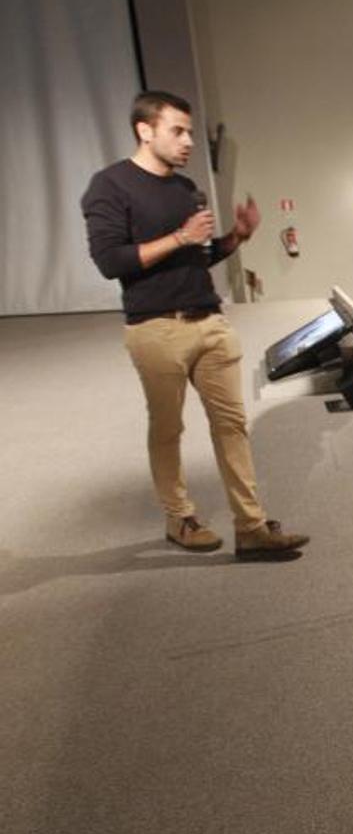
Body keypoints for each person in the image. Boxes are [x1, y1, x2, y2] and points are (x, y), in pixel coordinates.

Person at [80, 91, 307, 560]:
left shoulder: (186, 189)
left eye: (188, 131)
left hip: (210, 323)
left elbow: (198, 258)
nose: (187, 141)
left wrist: (236, 237)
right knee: (168, 428)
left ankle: (252, 527)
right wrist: (181, 236)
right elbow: (110, 261)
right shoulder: (110, 186)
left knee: (232, 425)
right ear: (146, 131)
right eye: (176, 131)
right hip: (156, 328)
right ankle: (179, 518)